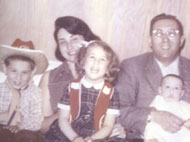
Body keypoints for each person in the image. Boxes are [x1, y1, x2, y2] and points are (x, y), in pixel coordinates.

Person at [116, 13, 190, 139]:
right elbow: (117, 111)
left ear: (181, 40)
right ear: (150, 40)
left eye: (172, 33)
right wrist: (153, 116)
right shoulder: (132, 66)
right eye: (158, 33)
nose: (165, 39)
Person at [45, 40, 121, 142]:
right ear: (83, 63)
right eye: (92, 57)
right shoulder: (72, 87)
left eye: (102, 59)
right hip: (69, 134)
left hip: (97, 137)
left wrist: (92, 139)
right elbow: (63, 119)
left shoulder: (111, 92)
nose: (96, 62)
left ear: (108, 69)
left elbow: (108, 125)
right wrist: (75, 138)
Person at [39, 16, 100, 134]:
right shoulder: (49, 78)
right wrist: (66, 111)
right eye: (62, 41)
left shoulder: (103, 72)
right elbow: (41, 127)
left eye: (74, 39)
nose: (69, 46)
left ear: (86, 40)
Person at [0, 44, 48, 141]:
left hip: (26, 130)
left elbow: (37, 120)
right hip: (2, 127)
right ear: (5, 69)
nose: (18, 77)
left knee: (31, 139)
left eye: (24, 72)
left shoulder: (35, 93)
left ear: (32, 72)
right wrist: (4, 116)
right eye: (14, 71)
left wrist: (20, 125)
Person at [144, 74, 190, 142]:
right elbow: (149, 114)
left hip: (179, 134)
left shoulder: (185, 105)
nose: (171, 90)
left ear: (181, 93)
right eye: (167, 87)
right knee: (151, 126)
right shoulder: (158, 100)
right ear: (160, 90)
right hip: (160, 133)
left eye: (176, 88)